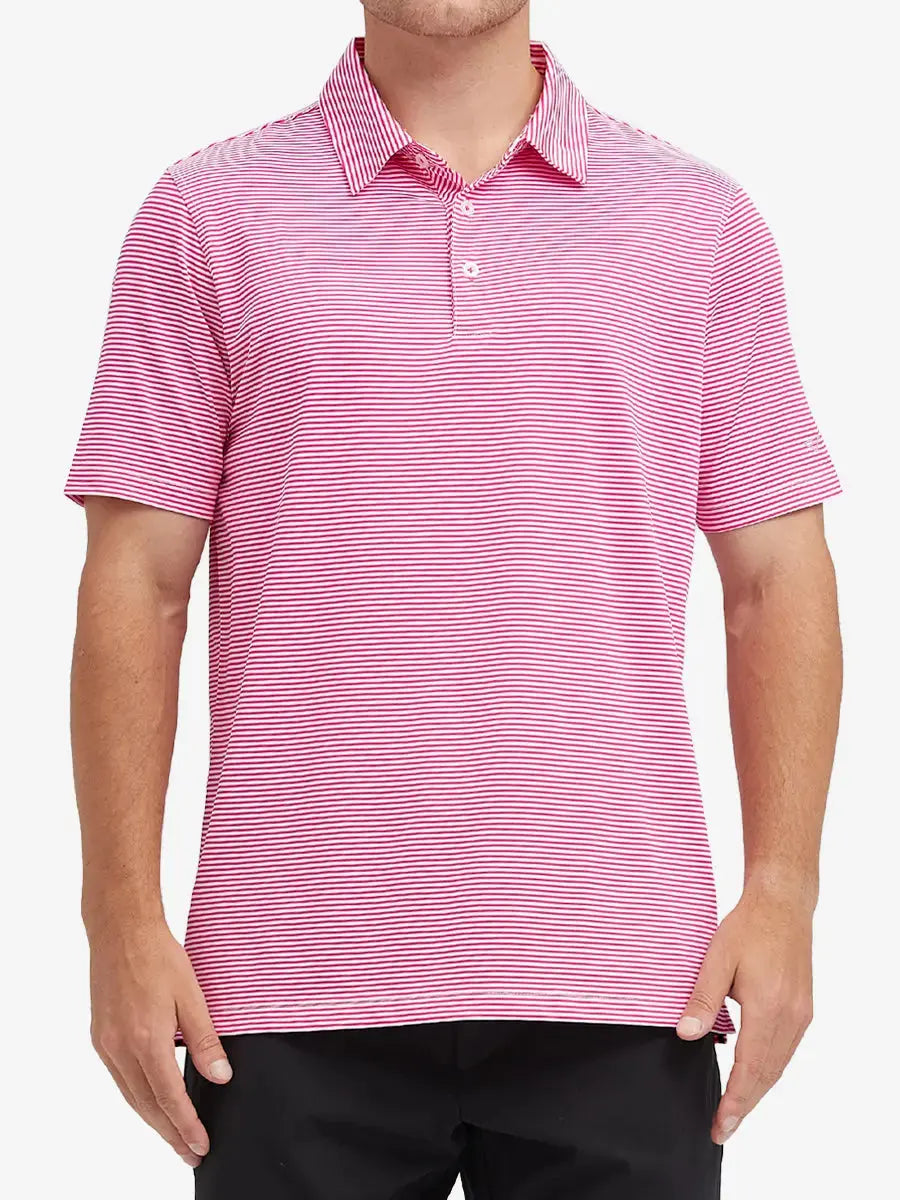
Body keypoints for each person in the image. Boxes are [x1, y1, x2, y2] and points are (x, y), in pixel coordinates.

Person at [64, 2, 843, 1197]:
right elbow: (139, 580)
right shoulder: (207, 215)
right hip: (286, 984)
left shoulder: (697, 222)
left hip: (627, 980)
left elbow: (776, 576)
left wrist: (785, 893)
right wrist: (117, 918)